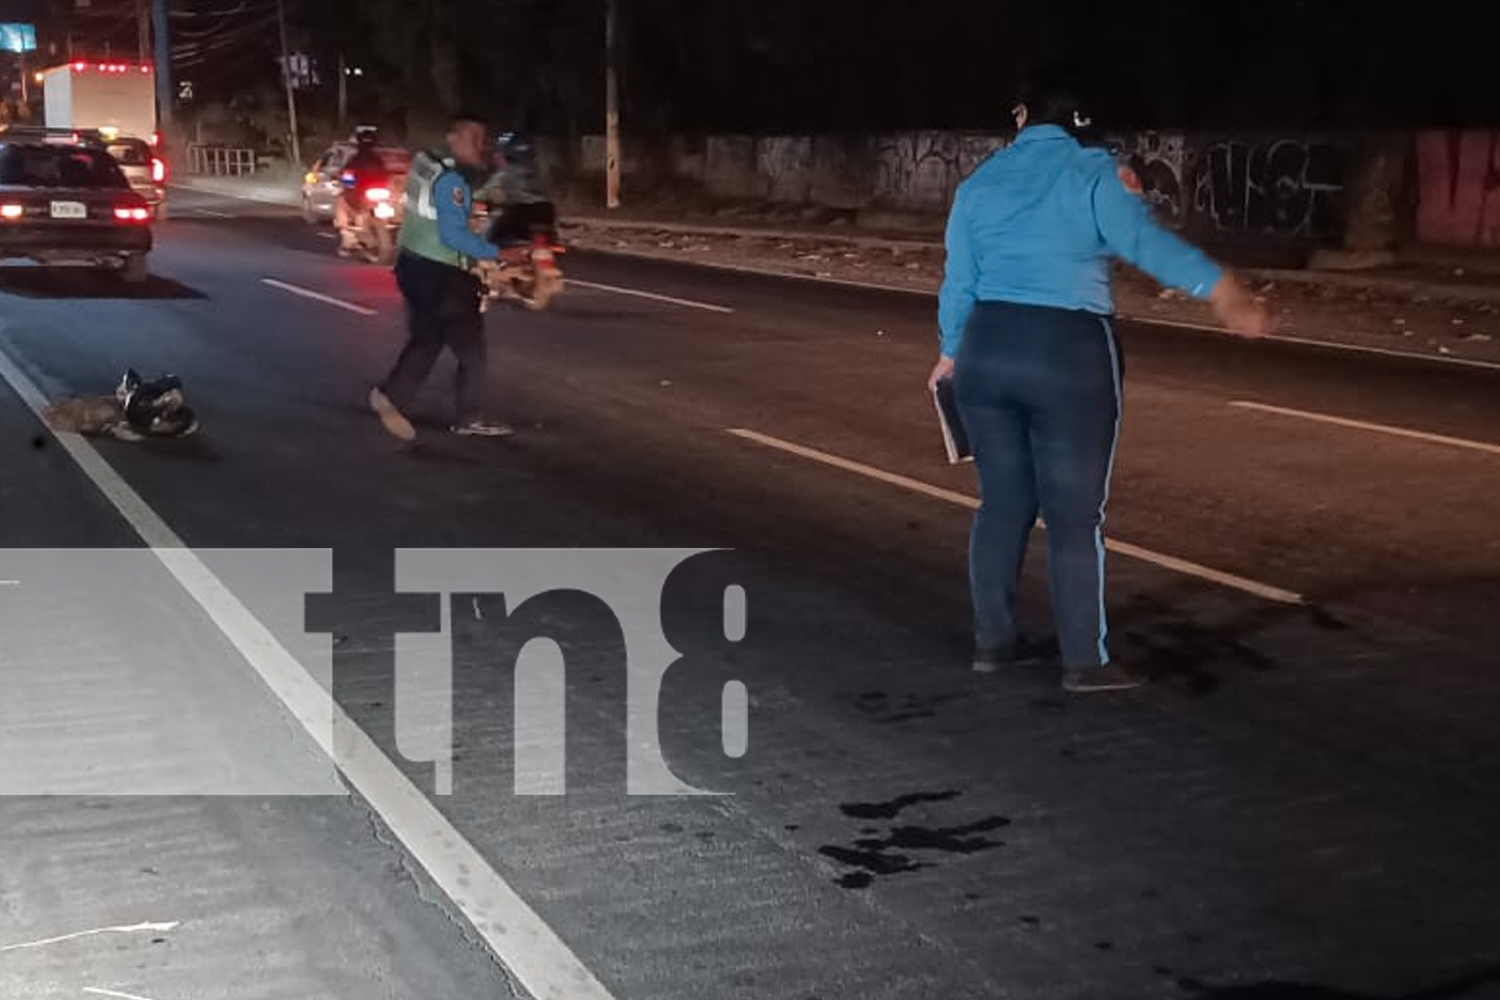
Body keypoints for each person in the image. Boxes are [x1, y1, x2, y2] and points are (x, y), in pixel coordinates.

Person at [929, 84, 1269, 694]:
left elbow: (960, 278)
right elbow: (1145, 244)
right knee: (1074, 516)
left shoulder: (979, 183)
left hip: (986, 349)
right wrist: (1221, 290)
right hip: (1068, 353)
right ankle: (1085, 662)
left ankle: (992, 643)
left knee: (1003, 504)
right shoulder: (1093, 173)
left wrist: (951, 351)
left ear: (1021, 115)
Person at [368, 111, 513, 439]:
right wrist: (496, 253)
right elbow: (453, 236)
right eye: (472, 138)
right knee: (472, 349)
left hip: (411, 263)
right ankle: (470, 418)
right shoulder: (452, 181)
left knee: (428, 337)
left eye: (482, 138)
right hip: (442, 273)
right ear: (453, 137)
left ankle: (391, 396)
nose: (480, 145)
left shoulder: (425, 162)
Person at [335, 126, 389, 254]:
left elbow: (347, 180)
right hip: (379, 194)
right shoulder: (378, 160)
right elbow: (386, 177)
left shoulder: (355, 160)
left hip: (362, 195)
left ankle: (346, 232)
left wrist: (346, 183)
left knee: (340, 200)